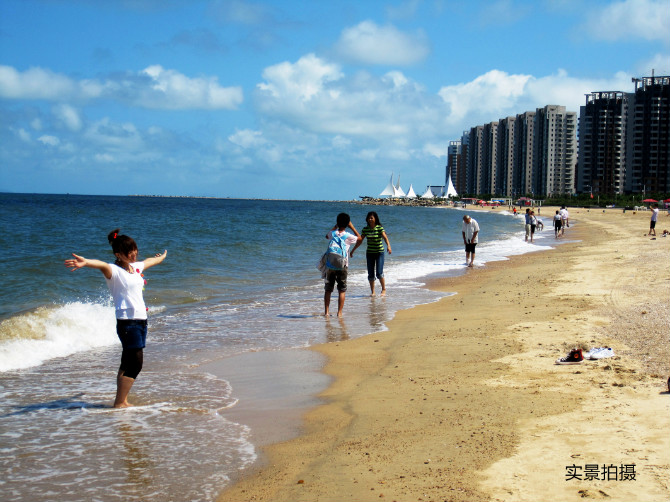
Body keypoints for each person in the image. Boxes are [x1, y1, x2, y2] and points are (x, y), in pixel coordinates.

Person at [64, 229, 167, 408]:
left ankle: (121, 401)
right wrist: (86, 262)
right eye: (129, 251)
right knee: (135, 363)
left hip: (141, 321)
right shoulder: (114, 271)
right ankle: (120, 402)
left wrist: (161, 257)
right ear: (119, 254)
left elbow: (150, 261)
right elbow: (101, 264)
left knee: (127, 362)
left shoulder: (135, 267)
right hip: (128, 322)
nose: (134, 253)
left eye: (134, 249)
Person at [323, 213, 362, 317]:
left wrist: (335, 226)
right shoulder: (348, 236)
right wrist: (352, 227)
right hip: (343, 265)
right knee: (342, 290)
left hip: (330, 265)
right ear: (347, 224)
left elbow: (326, 236)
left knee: (328, 289)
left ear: (337, 222)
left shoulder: (333, 233)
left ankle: (326, 312)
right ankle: (339, 313)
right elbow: (360, 238)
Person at [351, 211, 392, 296]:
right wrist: (353, 250)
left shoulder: (379, 228)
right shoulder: (365, 229)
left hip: (379, 253)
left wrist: (388, 246)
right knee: (371, 273)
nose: (370, 219)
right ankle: (373, 292)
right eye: (369, 218)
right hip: (370, 253)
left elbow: (385, 238)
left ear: (375, 219)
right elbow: (360, 241)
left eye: (372, 218)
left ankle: (383, 289)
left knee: (379, 273)